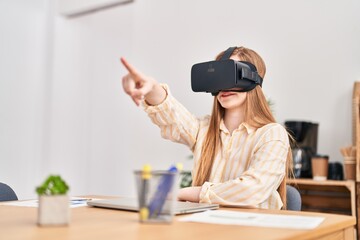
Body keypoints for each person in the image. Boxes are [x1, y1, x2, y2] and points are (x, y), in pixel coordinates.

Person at [121, 46, 292, 210]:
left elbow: (253, 189)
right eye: (218, 77)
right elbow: (172, 115)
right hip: (207, 228)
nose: (224, 86)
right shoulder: (203, 130)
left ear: (252, 78)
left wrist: (188, 193)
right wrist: (151, 87)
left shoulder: (271, 134)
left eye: (229, 75)